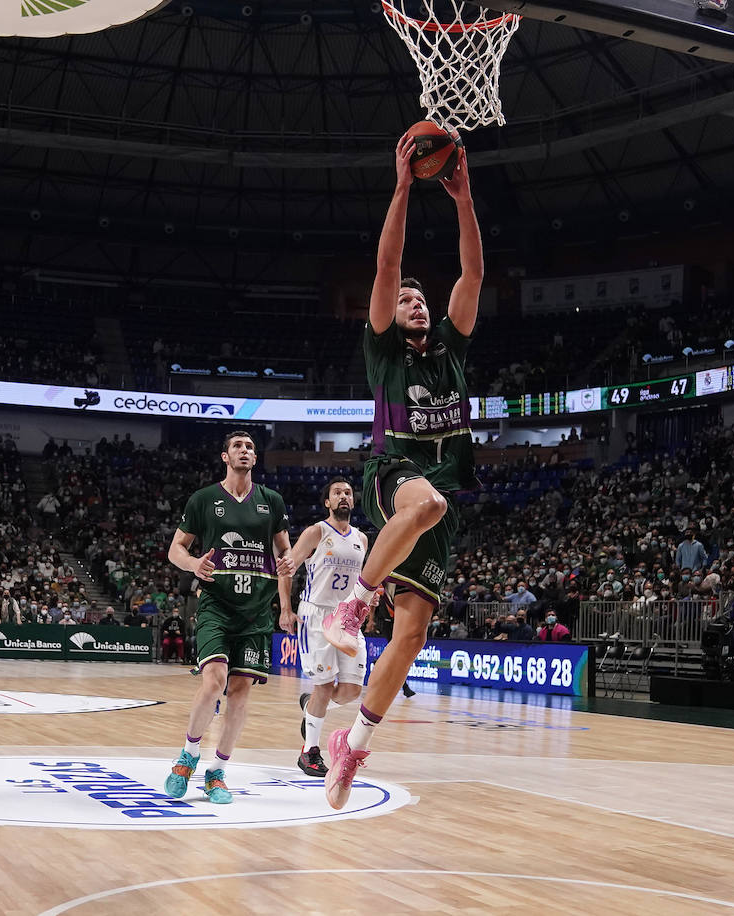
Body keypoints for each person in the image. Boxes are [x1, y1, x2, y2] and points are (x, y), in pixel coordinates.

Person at [318, 131, 483, 810]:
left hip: (441, 482)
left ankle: (350, 747)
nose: (415, 302)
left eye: (421, 299)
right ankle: (358, 603)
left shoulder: (449, 343)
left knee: (412, 636)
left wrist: (464, 197)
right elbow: (387, 270)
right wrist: (401, 188)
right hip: (395, 468)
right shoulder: (384, 347)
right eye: (408, 300)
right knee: (429, 506)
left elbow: (472, 274)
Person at [163, 431, 292, 804]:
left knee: (239, 694)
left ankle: (217, 771)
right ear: (225, 456)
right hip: (217, 604)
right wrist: (192, 565)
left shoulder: (272, 501)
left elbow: (285, 553)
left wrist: (288, 568)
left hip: (256, 611)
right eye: (238, 446)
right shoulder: (203, 499)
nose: (245, 451)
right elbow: (176, 548)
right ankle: (188, 755)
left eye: (250, 447)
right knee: (214, 680)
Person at [278, 477, 371, 778]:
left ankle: (311, 707)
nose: (343, 496)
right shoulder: (316, 531)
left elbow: (362, 580)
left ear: (353, 501)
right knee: (324, 686)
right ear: (327, 502)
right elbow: (287, 567)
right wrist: (285, 609)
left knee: (350, 691)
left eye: (348, 493)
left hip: (347, 618)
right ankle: (310, 752)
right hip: (316, 616)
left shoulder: (362, 539)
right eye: (337, 493)